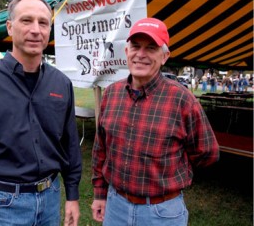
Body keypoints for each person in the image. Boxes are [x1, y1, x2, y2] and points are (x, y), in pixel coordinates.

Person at [0, 0, 82, 226]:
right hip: (3, 204)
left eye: (43, 22)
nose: (36, 29)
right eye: (26, 20)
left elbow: (69, 143)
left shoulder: (61, 84)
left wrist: (72, 194)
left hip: (50, 198)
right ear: (9, 27)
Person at [91, 17, 219, 226]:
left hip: (162, 212)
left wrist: (173, 172)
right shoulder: (111, 94)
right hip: (115, 207)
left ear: (164, 56)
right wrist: (99, 194)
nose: (141, 54)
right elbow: (100, 149)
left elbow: (207, 153)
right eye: (135, 46)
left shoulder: (182, 99)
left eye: (151, 48)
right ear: (126, 51)